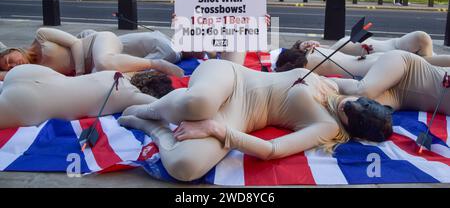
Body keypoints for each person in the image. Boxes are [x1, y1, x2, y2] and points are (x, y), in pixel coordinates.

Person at [118, 58, 393, 182]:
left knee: (185, 166)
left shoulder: (328, 127)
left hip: (238, 117)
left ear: (353, 128)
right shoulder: (341, 89)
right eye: (364, 104)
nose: (353, 105)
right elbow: (365, 84)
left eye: (356, 114)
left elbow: (272, 150)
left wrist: (218, 129)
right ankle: (148, 110)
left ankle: (152, 127)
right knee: (198, 103)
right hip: (233, 77)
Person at [0, 64, 172, 130]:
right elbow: (165, 107)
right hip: (31, 102)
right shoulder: (131, 95)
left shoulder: (115, 73)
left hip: (28, 72)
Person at [0, 28, 184, 80]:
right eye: (8, 68)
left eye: (10, 60)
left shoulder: (41, 36)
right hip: (92, 67)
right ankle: (150, 71)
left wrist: (80, 74)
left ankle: (156, 64)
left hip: (97, 43)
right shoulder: (33, 71)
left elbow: (75, 43)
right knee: (106, 79)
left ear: (14, 50)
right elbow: (6, 77)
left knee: (104, 62)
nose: (13, 65)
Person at [276, 31, 450, 78]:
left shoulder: (326, 50)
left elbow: (294, 49)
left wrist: (301, 44)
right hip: (379, 63)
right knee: (422, 57)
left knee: (422, 40)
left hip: (391, 50)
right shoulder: (311, 62)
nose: (311, 46)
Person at [329, 50, 450, 115]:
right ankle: (317, 77)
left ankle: (316, 83)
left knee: (354, 109)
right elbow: (430, 59)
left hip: (400, 99)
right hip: (409, 69)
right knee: (363, 91)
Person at [76, 29, 205, 63]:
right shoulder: (169, 45)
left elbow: (142, 65)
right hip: (94, 48)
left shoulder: (171, 51)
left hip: (95, 50)